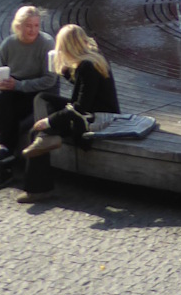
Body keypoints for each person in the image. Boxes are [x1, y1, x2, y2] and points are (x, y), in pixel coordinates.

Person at [17, 24, 121, 203]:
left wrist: (50, 122)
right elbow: (84, 89)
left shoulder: (88, 67)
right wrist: (63, 70)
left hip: (93, 120)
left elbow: (80, 107)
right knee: (43, 98)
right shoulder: (94, 58)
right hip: (95, 113)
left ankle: (38, 190)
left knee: (37, 131)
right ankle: (47, 136)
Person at [0, 6, 57, 192]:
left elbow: (50, 80)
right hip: (15, 90)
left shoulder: (46, 43)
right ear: (18, 26)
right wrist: (0, 83)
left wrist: (19, 85)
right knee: (1, 100)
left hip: (40, 93)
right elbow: (0, 73)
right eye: (28, 26)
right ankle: (2, 151)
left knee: (7, 114)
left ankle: (3, 164)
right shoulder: (8, 45)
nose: (33, 30)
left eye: (36, 25)